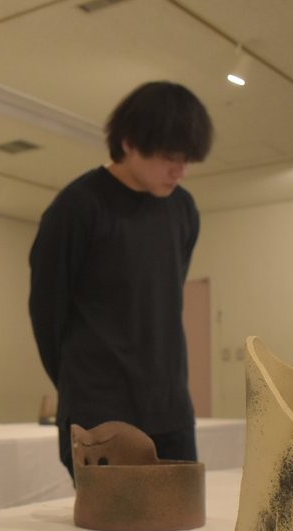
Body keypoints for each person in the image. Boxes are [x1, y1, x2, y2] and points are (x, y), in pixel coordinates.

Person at [28, 81, 213, 477]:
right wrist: (82, 385)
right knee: (111, 520)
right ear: (129, 143)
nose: (180, 170)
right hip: (100, 413)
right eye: (169, 157)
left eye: (187, 159)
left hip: (171, 408)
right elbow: (46, 312)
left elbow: (163, 301)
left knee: (181, 517)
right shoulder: (78, 207)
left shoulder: (183, 209)